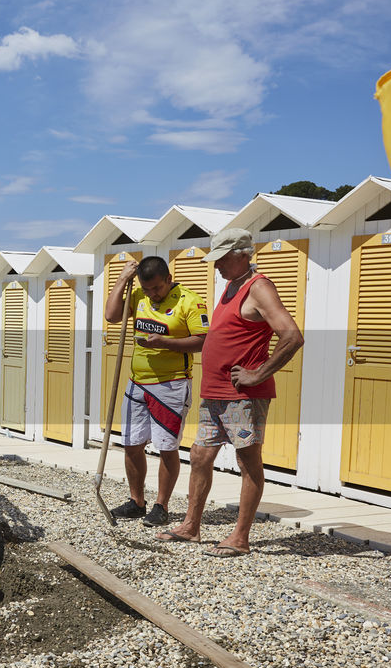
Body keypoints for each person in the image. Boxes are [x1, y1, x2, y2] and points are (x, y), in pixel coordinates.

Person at [155, 228, 303, 556]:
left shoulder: (259, 287)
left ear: (241, 254)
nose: (215, 265)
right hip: (215, 393)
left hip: (242, 396)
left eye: (221, 258)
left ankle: (240, 536)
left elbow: (292, 336)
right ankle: (192, 526)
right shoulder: (230, 287)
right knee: (199, 455)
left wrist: (257, 374)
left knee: (247, 458)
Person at [103, 256, 209, 526]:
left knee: (166, 447)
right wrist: (122, 280)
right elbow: (112, 316)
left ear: (168, 280)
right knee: (131, 444)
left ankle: (161, 506)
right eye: (147, 289)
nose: (152, 294)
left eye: (157, 289)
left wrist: (165, 342)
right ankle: (137, 501)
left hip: (171, 385)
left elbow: (202, 341)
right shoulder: (137, 295)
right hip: (137, 382)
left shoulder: (189, 301)